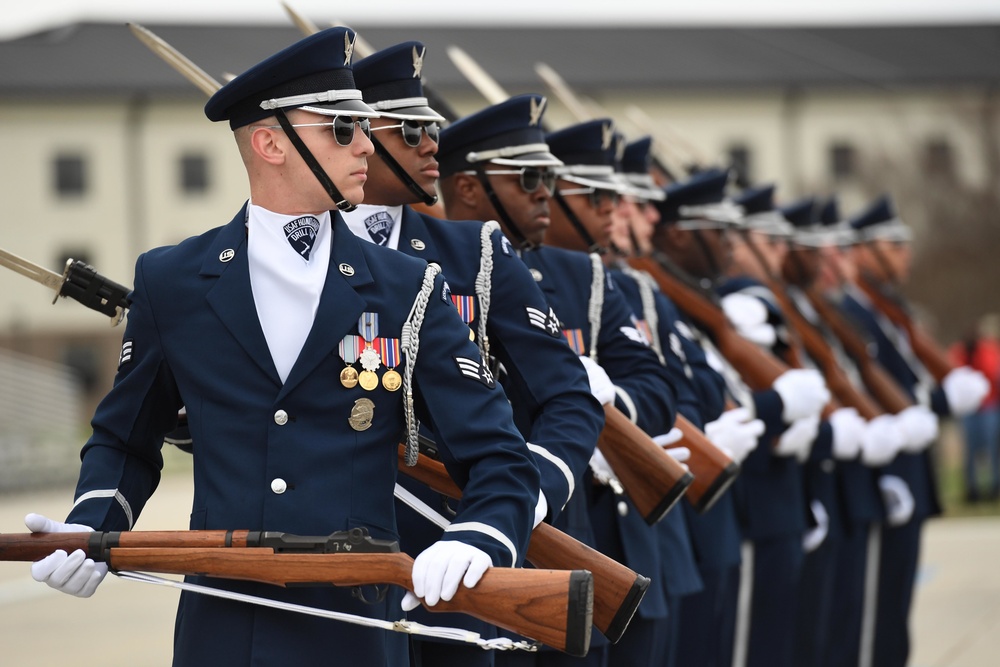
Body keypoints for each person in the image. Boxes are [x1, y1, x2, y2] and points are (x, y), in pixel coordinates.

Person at [25, 27, 540, 667]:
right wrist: (91, 524)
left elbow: (498, 454)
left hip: (358, 627)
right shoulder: (174, 280)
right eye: (343, 129)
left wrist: (478, 537)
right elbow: (125, 439)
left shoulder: (408, 286)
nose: (367, 146)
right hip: (224, 626)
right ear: (271, 143)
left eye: (365, 127)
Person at [348, 42, 604, 667]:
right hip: (334, 563)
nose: (433, 143)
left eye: (433, 129)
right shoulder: (289, 262)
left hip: (457, 548)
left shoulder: (476, 255)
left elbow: (568, 397)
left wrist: (530, 489)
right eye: (412, 131)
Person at [438, 97, 681, 667]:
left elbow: (659, 391)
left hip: (558, 525)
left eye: (551, 177)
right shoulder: (428, 268)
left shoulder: (580, 276)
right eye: (532, 177)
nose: (545, 190)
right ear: (469, 188)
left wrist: (608, 399)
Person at [843, 194, 989, 667]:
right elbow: (883, 395)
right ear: (863, 250)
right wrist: (943, 399)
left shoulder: (886, 308)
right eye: (894, 244)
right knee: (875, 620)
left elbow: (905, 389)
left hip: (906, 470)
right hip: (884, 472)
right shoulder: (856, 312)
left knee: (894, 614)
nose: (905, 255)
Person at [948, 314, 1000, 502]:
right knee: (970, 451)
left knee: (992, 449)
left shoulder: (988, 350)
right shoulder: (959, 351)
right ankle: (973, 490)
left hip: (988, 406)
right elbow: (953, 372)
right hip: (967, 409)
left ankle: (994, 487)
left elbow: (991, 372)